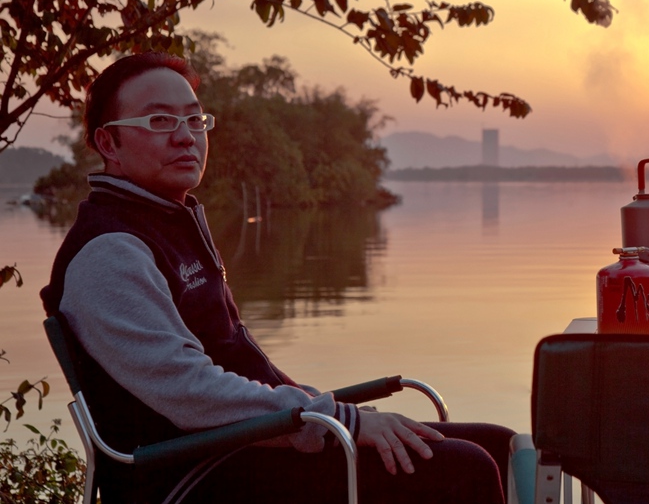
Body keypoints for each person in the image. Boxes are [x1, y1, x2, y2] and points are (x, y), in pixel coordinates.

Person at [40, 52, 514, 503]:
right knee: (461, 467)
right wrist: (335, 420)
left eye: (194, 119)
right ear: (108, 143)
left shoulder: (168, 222)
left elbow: (238, 363)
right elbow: (189, 391)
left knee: (500, 446)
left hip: (242, 449)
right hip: (187, 479)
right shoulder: (110, 251)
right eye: (159, 121)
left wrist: (330, 412)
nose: (185, 136)